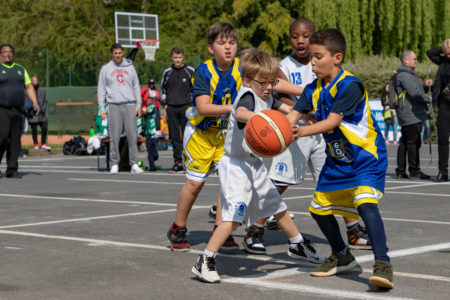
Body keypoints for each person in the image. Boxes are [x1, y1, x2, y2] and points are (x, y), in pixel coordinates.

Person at [191, 48, 325, 283]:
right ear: (247, 80)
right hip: (235, 165)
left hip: (254, 164)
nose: (268, 87)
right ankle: (206, 260)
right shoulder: (247, 96)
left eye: (271, 82)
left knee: (277, 206)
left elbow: (284, 109)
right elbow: (241, 112)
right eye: (262, 82)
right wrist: (262, 119)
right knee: (232, 217)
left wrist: (304, 117)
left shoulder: (266, 95)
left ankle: (297, 244)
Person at [274, 29, 394, 289]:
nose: (313, 62)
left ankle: (383, 264)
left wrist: (301, 131)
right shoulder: (312, 88)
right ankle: (341, 255)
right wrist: (272, 134)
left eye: (319, 57)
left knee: (365, 204)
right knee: (318, 209)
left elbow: (331, 122)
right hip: (337, 161)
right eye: (312, 58)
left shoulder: (350, 85)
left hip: (366, 158)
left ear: (337, 57)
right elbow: (292, 117)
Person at [244, 18, 371, 256]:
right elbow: (279, 95)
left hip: (325, 133)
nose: (300, 41)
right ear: (289, 38)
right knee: (279, 183)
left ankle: (353, 229)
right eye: (295, 36)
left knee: (339, 180)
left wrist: (319, 109)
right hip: (295, 131)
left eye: (306, 36)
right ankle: (255, 229)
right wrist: (304, 108)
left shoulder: (324, 61)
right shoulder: (285, 65)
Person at [167, 23, 242, 252]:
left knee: (228, 182)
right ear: (211, 48)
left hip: (225, 136)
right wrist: (236, 109)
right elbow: (204, 107)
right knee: (195, 183)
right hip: (200, 136)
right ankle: (178, 228)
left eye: (232, 43)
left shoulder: (243, 66)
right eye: (222, 44)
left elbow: (273, 79)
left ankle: (221, 228)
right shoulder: (203, 71)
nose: (228, 48)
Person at [97, 43, 143, 174]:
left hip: (129, 104)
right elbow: (101, 89)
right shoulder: (105, 69)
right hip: (114, 105)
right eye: (115, 53)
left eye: (120, 53)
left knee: (132, 136)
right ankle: (114, 164)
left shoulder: (130, 67)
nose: (118, 55)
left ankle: (134, 164)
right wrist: (102, 107)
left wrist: (138, 105)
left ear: (122, 53)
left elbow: (136, 86)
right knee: (114, 137)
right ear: (112, 54)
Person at [0, 44, 40, 179]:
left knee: (15, 141)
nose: (8, 54)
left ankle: (12, 169)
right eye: (5, 52)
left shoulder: (20, 69)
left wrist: (34, 102)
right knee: (2, 138)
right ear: (0, 54)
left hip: (18, 110)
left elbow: (28, 87)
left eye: (10, 52)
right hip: (2, 110)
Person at [394, 50, 432, 180]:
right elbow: (414, 92)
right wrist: (427, 98)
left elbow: (416, 90)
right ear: (406, 60)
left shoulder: (408, 74)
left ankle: (400, 171)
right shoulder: (404, 75)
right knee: (413, 143)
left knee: (405, 142)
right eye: (414, 59)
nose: (416, 61)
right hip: (411, 114)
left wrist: (424, 87)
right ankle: (414, 171)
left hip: (409, 113)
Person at [160, 47, 195, 173]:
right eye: (175, 57)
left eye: (179, 57)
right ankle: (177, 162)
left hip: (186, 108)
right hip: (172, 108)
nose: (177, 60)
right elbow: (163, 90)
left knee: (188, 136)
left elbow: (195, 88)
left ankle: (189, 162)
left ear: (183, 57)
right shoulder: (167, 72)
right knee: (175, 137)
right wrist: (165, 104)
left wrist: (192, 104)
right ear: (172, 58)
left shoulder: (190, 71)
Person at [427, 39, 450, 182]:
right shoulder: (442, 61)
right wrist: (444, 48)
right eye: (447, 54)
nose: (449, 56)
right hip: (444, 104)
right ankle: (443, 172)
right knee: (442, 139)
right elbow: (429, 53)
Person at [28, 76, 50, 151]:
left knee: (44, 127)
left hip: (41, 113)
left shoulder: (42, 90)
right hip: (33, 114)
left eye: (36, 80)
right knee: (34, 130)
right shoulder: (28, 91)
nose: (35, 82)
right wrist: (32, 109)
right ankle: (36, 144)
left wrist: (42, 109)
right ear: (31, 82)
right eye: (33, 81)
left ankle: (43, 143)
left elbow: (45, 101)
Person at [142, 94, 159, 171]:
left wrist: (142, 110)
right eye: (146, 101)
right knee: (149, 149)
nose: (147, 102)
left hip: (152, 129)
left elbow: (146, 111)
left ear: (152, 101)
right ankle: (152, 166)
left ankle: (155, 156)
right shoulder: (147, 107)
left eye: (148, 100)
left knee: (152, 146)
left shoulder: (153, 107)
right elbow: (143, 113)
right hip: (147, 130)